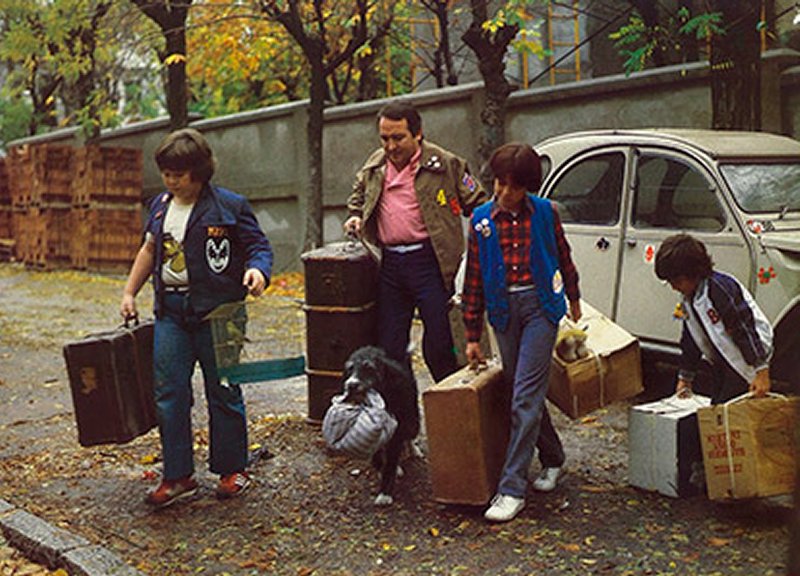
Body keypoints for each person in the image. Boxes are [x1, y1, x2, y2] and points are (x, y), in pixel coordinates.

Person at [120, 128, 273, 508]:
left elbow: (258, 246)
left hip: (220, 312)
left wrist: (258, 271)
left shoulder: (229, 206)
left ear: (200, 172)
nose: (170, 181)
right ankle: (177, 475)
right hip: (171, 312)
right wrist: (129, 292)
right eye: (166, 173)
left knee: (223, 388)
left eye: (178, 174)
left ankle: (232, 469)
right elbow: (149, 249)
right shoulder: (159, 206)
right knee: (169, 392)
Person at [462, 142, 581, 523]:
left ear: (528, 185)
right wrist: (472, 334)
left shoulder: (546, 212)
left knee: (525, 397)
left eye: (513, 186)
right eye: (500, 182)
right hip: (503, 311)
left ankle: (512, 488)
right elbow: (474, 279)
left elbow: (562, 256)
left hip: (541, 309)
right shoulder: (481, 220)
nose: (504, 191)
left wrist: (574, 298)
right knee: (522, 391)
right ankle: (554, 457)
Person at [343, 100, 487, 383]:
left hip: (431, 263)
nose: (391, 146)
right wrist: (356, 216)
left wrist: (479, 247)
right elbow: (357, 197)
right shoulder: (375, 165)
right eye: (385, 138)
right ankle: (401, 406)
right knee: (391, 347)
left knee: (440, 344)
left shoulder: (444, 164)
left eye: (398, 138)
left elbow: (478, 204)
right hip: (390, 264)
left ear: (417, 134)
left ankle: (450, 400)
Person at [654, 233, 772, 404]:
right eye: (670, 282)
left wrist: (761, 370)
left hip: (749, 355)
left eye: (678, 281)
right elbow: (691, 338)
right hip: (722, 360)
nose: (674, 287)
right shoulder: (688, 299)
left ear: (694, 273)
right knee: (717, 405)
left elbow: (743, 328)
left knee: (730, 407)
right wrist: (685, 377)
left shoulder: (720, 289)